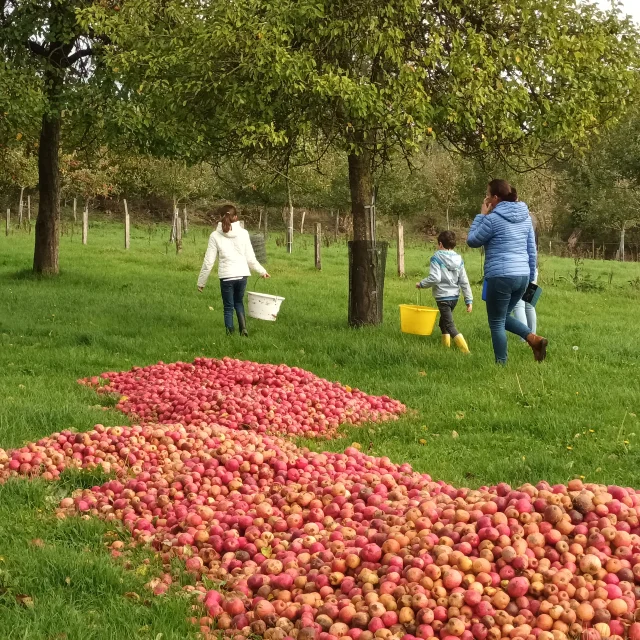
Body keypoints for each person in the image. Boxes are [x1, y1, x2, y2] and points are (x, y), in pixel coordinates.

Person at [467, 179, 548, 364]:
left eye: (488, 195)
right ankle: (534, 340)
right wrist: (531, 276)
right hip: (522, 276)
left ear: (495, 198)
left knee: (496, 322)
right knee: (503, 317)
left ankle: (501, 364)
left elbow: (472, 241)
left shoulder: (492, 219)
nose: (486, 198)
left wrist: (481, 215)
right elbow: (531, 248)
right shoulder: (526, 218)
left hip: (500, 276)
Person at [197, 204, 269, 336]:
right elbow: (250, 258)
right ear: (236, 217)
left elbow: (208, 262)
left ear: (220, 217)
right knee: (239, 302)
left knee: (228, 307)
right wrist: (262, 271)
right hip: (242, 275)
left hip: (227, 276)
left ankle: (230, 333)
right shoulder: (244, 233)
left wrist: (201, 282)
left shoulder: (214, 235)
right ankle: (244, 329)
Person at [416, 230, 473, 354]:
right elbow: (464, 281)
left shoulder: (436, 258)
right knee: (443, 323)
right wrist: (469, 300)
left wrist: (421, 284)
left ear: (440, 244)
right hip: (454, 298)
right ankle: (445, 348)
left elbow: (435, 278)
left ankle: (466, 352)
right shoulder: (459, 259)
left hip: (443, 297)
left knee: (450, 325)